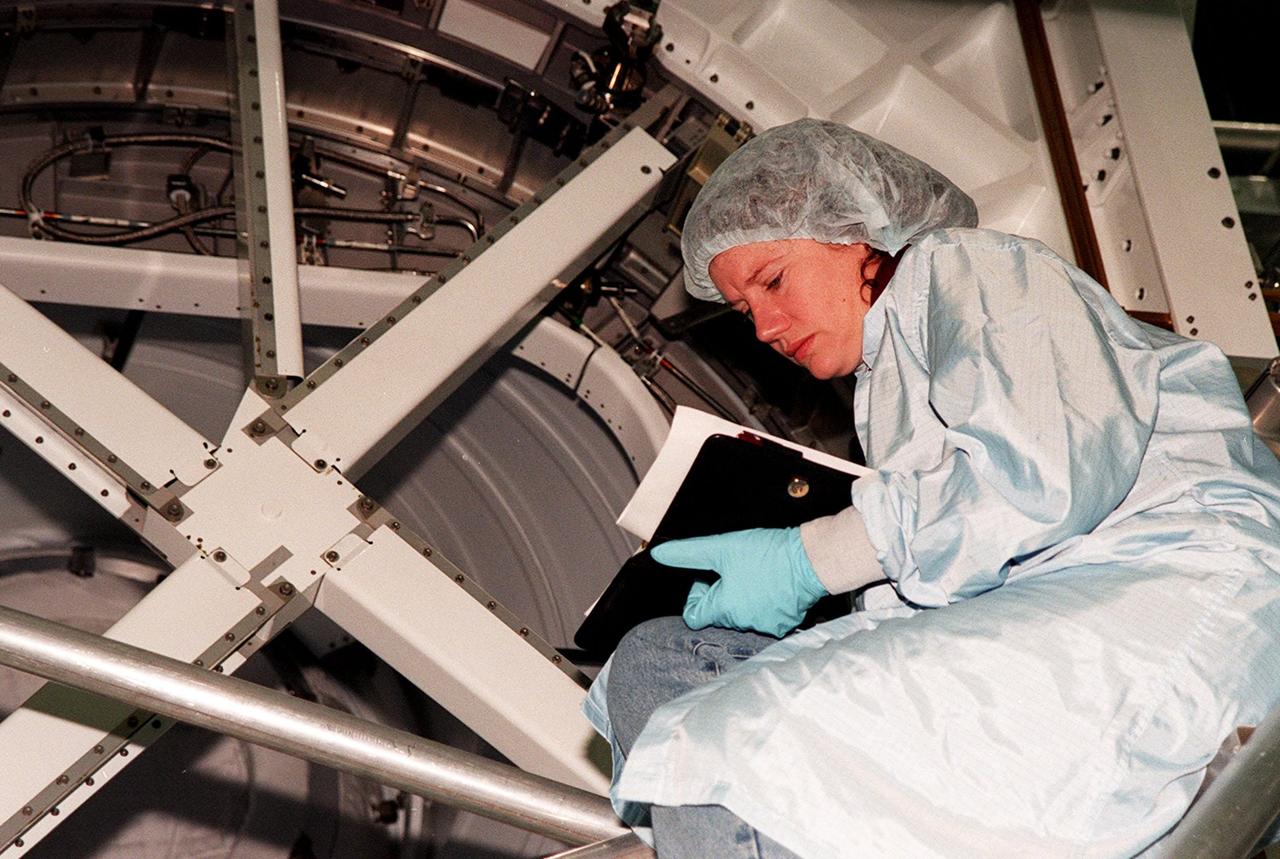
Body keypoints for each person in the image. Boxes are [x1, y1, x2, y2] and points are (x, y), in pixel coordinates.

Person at [581, 118, 1280, 857]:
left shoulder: (972, 271)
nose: (764, 327)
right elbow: (958, 554)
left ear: (856, 232)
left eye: (774, 281)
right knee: (659, 666)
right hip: (1098, 641)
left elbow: (1037, 475)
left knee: (733, 741)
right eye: (745, 308)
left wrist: (808, 557)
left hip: (1177, 599)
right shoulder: (888, 388)